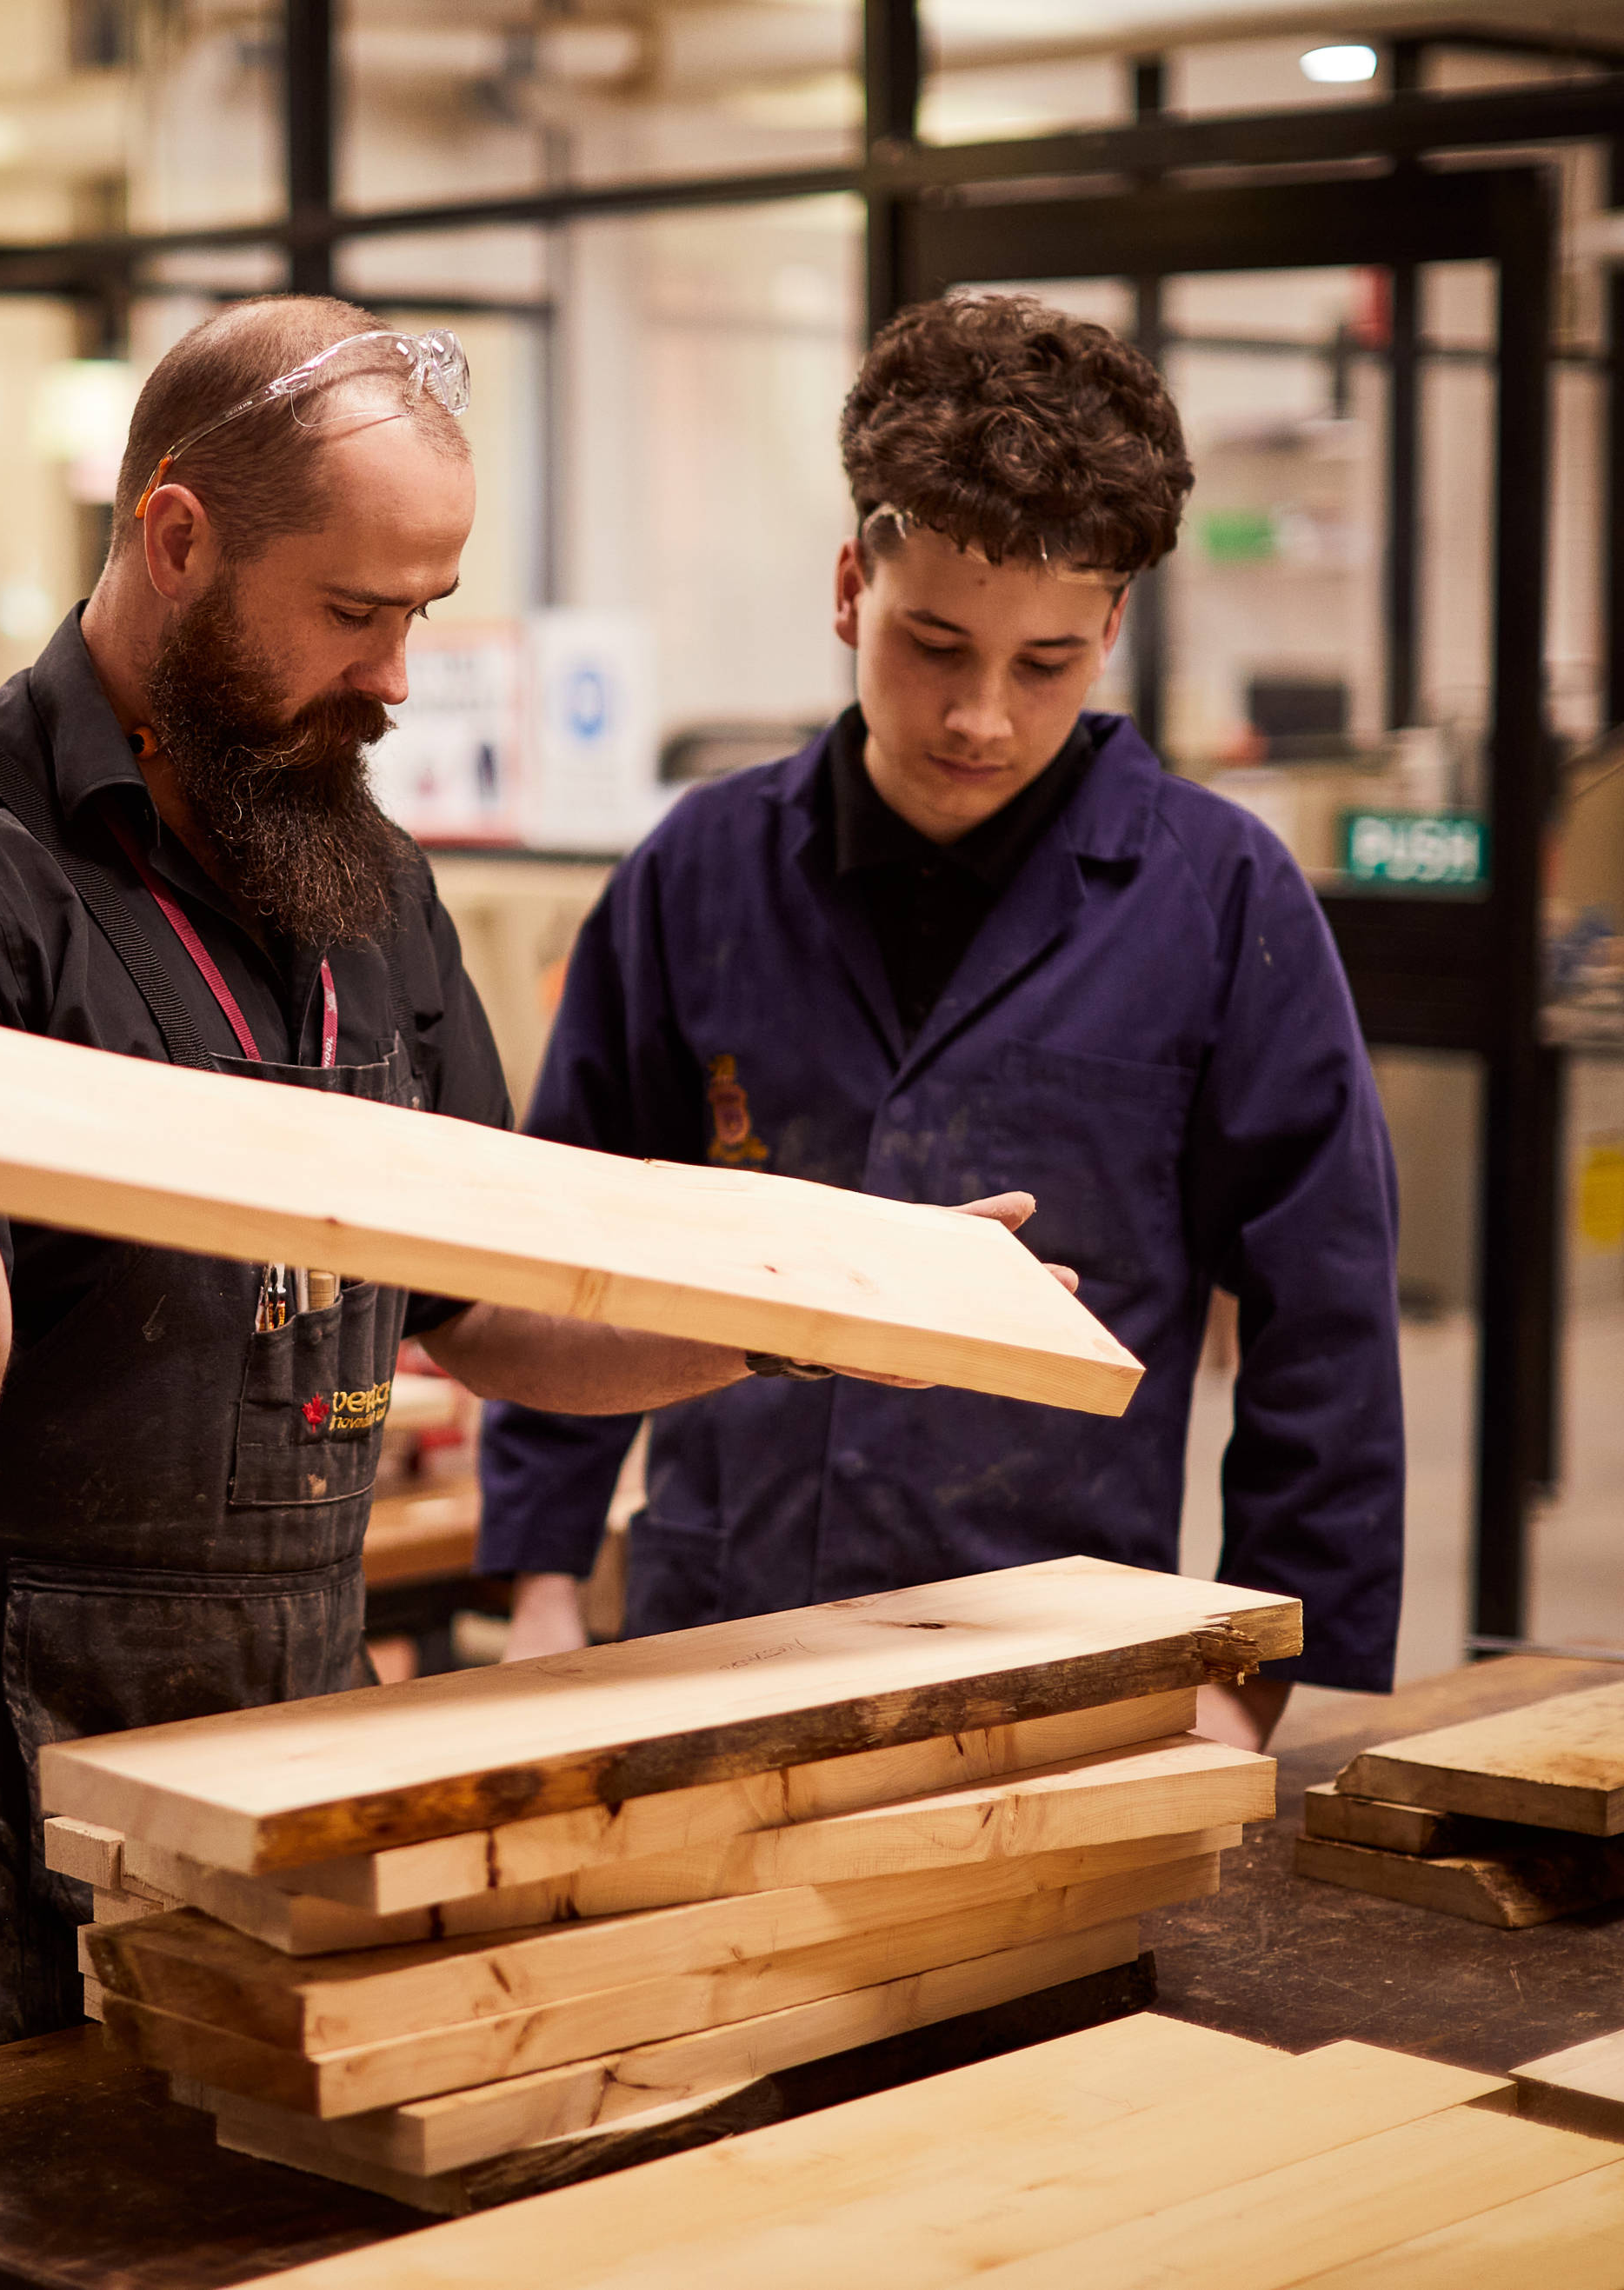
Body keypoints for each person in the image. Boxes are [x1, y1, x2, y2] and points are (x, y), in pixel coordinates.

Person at [0, 296, 1073, 2268]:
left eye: (424, 613)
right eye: (353, 611)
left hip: (276, 1761)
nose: (397, 674)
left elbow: (488, 1310)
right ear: (172, 540)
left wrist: (816, 1304)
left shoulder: (353, 875)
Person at [479, 293, 1404, 1748]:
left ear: (1111, 626)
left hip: (1057, 1644)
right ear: (852, 585)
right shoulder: (697, 872)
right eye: (933, 643)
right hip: (716, 1622)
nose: (979, 714)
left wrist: (1250, 1674)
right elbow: (572, 1232)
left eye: (1045, 663)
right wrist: (539, 1568)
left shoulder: (1225, 901)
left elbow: (1325, 1313)